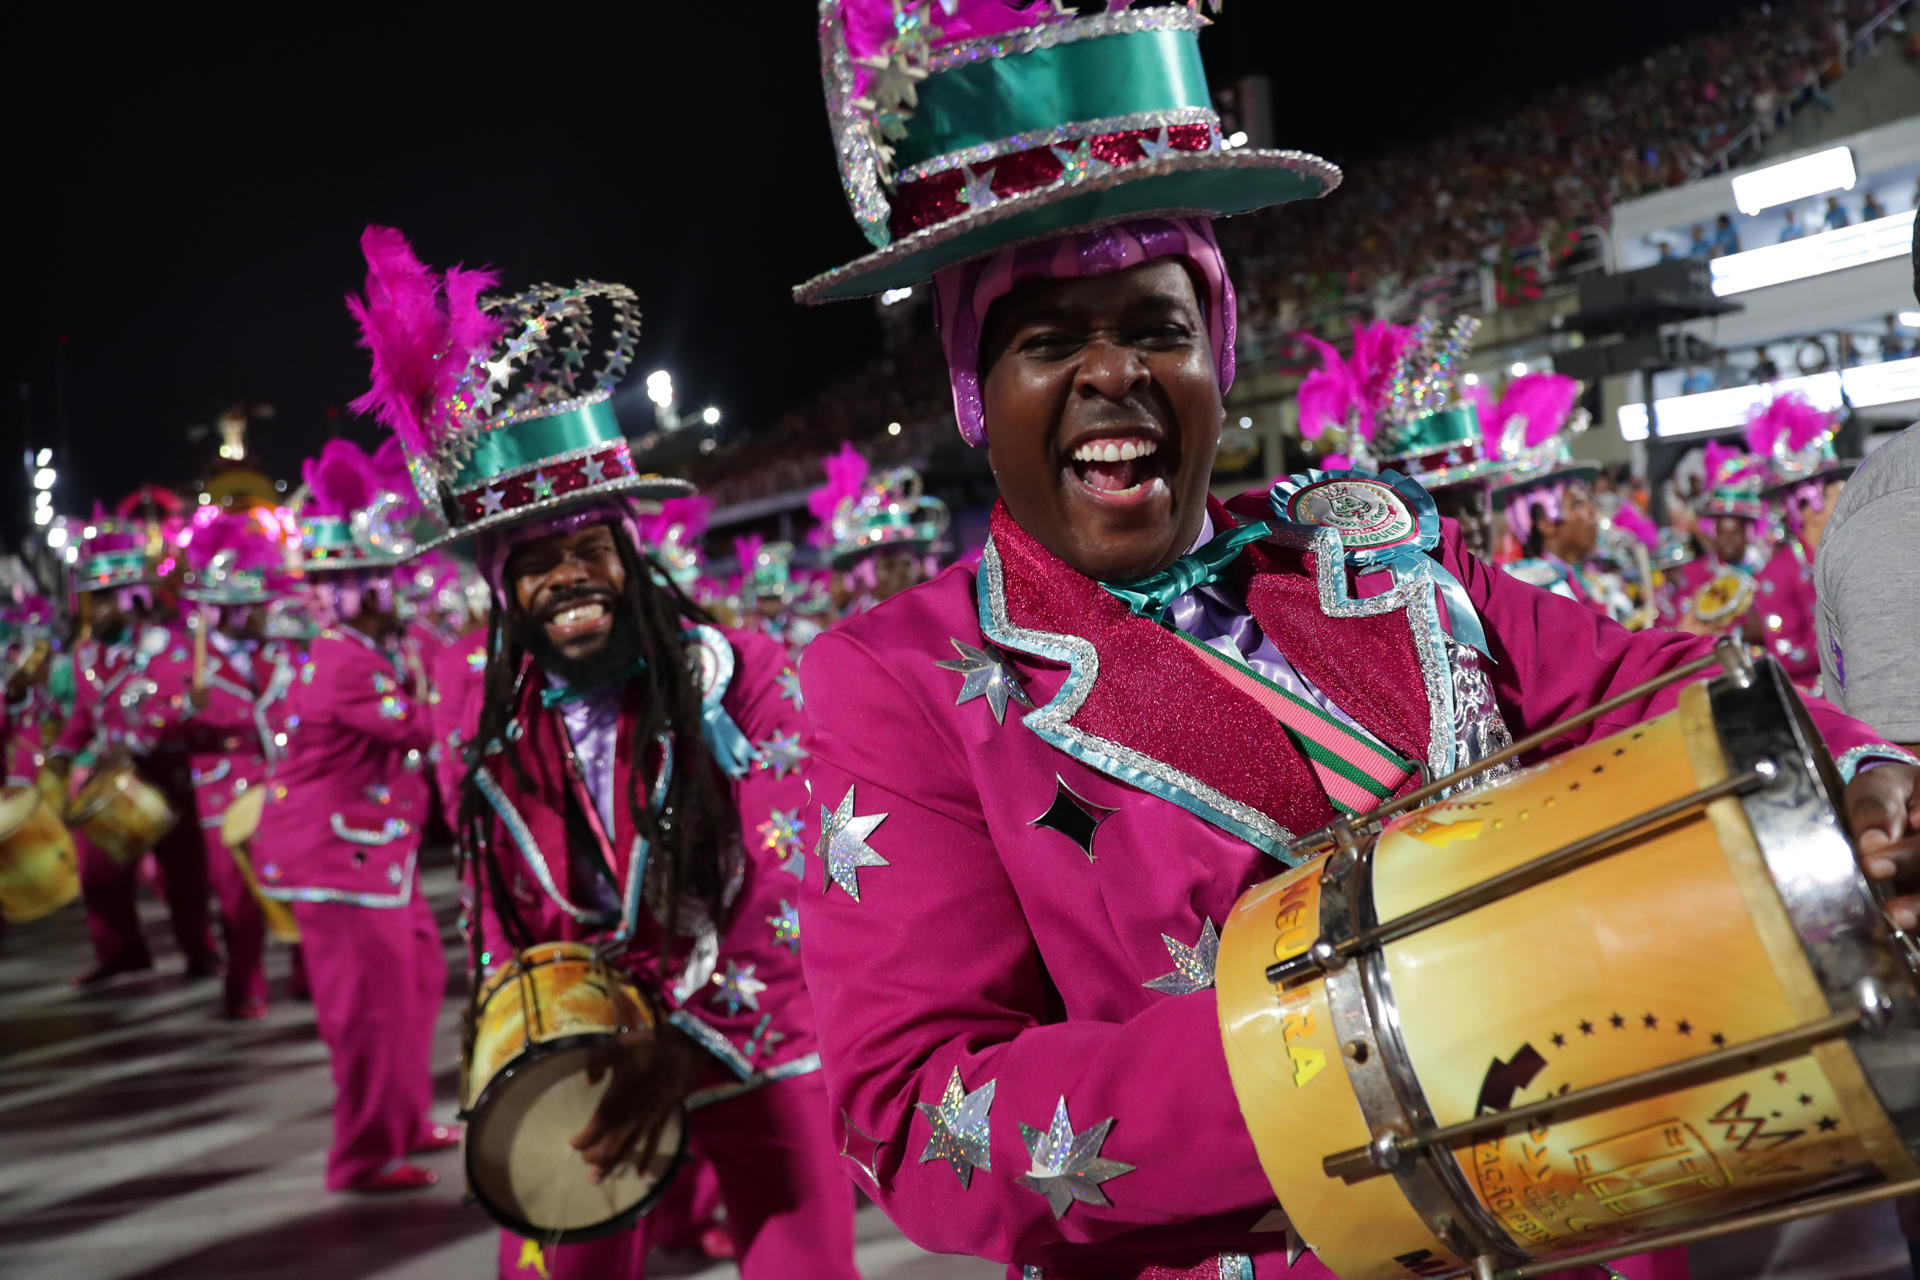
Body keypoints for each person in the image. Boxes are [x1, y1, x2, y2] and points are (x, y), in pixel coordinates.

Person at [791, 4, 1920, 1277]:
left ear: (1218, 355)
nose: (1113, 374)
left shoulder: (1375, 551)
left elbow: (1649, 680)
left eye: (1159, 328)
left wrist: (1851, 772)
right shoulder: (897, 678)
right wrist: (1378, 1039)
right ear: (974, 394)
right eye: (1049, 342)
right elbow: (921, 1112)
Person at [343, 226, 860, 1280]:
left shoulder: (742, 671)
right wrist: (526, 1048)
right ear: (503, 589)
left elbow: (785, 880)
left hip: (751, 1030)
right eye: (537, 564)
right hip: (586, 1045)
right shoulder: (485, 723)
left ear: (630, 553)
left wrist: (678, 1036)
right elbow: (499, 913)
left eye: (590, 550)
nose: (569, 578)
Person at [251, 438, 458, 1192]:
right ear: (338, 591)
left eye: (383, 574)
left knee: (419, 984)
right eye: (368, 578)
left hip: (377, 855)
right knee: (367, 1011)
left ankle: (403, 1120)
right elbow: (422, 727)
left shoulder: (371, 650)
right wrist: (462, 675)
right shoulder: (344, 659)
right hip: (340, 861)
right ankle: (363, 1155)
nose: (385, 588)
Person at [128, 508, 295, 1018]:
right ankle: (245, 987)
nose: (257, 614)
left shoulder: (277, 652)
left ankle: (308, 975)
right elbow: (147, 726)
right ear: (221, 612)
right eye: (245, 608)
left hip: (282, 783)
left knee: (296, 884)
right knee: (236, 897)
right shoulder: (180, 659)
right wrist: (187, 708)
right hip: (223, 790)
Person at [48, 524, 219, 987]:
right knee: (98, 875)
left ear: (135, 598)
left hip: (165, 776)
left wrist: (139, 740)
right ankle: (120, 953)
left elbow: (183, 707)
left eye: (109, 598)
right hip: (111, 779)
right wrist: (63, 751)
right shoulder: (85, 657)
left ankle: (200, 952)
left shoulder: (169, 648)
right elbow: (83, 717)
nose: (99, 609)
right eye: (95, 599)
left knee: (184, 876)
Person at [1746, 395, 1853, 694]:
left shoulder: (1850, 554)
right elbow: (1786, 654)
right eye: (1836, 495)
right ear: (1808, 507)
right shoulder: (1777, 572)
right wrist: (1854, 637)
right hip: (1819, 707)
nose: (1848, 501)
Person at [807, 441, 950, 614]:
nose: (902, 574)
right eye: (888, 566)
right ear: (864, 575)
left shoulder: (935, 614)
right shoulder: (854, 626)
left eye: (906, 564)